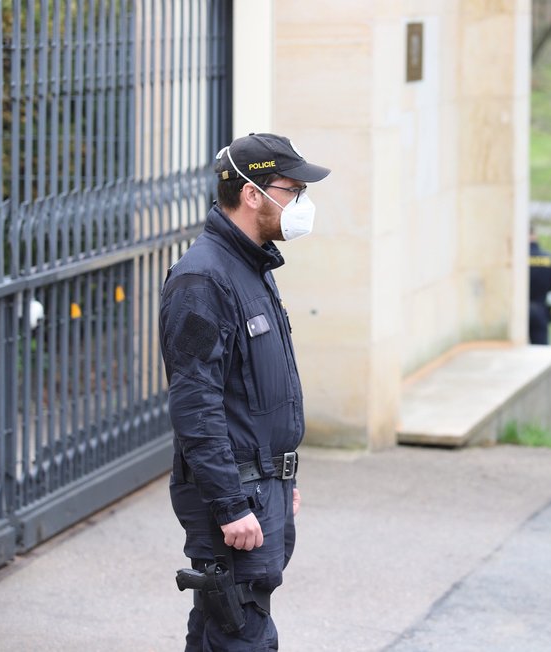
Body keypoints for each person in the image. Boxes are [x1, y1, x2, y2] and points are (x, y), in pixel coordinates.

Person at [159, 132, 330, 650]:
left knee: (218, 629)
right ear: (253, 193)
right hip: (234, 496)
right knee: (243, 634)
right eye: (292, 188)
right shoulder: (202, 280)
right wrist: (231, 504)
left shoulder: (251, 265)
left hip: (262, 486)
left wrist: (281, 471)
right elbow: (197, 406)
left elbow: (251, 394)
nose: (301, 201)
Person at [529, 226, 551, 345]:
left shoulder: (515, 257)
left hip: (519, 310)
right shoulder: (549, 258)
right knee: (541, 349)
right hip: (541, 307)